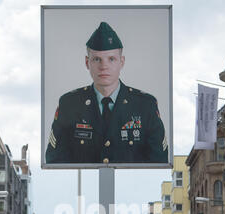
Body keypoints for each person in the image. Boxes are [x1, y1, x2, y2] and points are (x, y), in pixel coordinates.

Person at [45, 21, 168, 166]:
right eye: (97, 59)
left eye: (111, 59)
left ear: (121, 62)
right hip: (84, 186)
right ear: (87, 62)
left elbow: (158, 162)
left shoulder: (145, 105)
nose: (104, 66)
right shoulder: (69, 104)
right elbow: (55, 161)